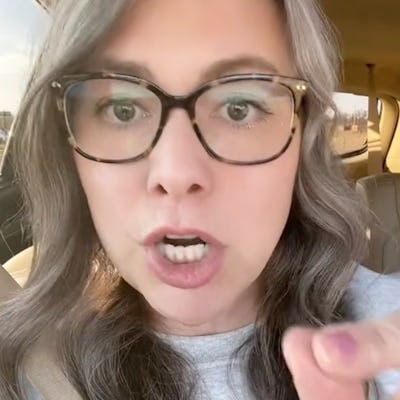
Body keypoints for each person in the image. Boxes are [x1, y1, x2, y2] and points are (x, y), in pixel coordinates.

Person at [0, 0, 399, 399]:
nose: (176, 173)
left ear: (304, 139)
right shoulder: (28, 371)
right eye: (122, 109)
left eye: (239, 108)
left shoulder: (386, 329)